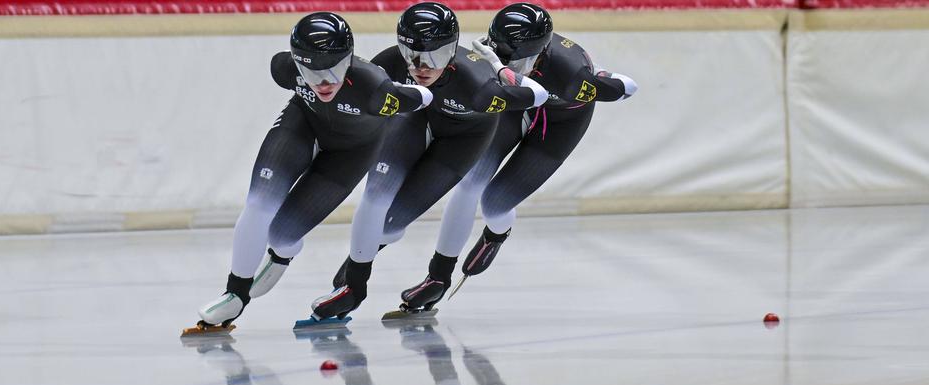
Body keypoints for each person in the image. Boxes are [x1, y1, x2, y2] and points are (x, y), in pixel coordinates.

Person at [186, 12, 432, 334]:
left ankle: (283, 253)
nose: (324, 82)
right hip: (301, 127)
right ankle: (235, 293)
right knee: (259, 205)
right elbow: (285, 64)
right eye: (311, 72)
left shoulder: (375, 90)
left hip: (349, 154)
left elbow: (424, 97)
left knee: (282, 234)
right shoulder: (285, 70)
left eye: (333, 69)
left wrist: (409, 89)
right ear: (298, 64)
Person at [307, 2, 549, 321]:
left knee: (395, 223)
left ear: (451, 52)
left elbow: (538, 95)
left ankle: (439, 277)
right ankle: (353, 287)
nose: (421, 66)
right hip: (419, 120)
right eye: (411, 54)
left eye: (434, 56)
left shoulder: (478, 83)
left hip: (464, 140)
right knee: (375, 197)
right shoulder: (391, 63)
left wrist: (500, 69)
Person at [413, 2, 639, 307]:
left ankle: (497, 232)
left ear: (539, 55)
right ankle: (438, 277)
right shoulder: (496, 49)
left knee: (493, 205)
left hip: (559, 124)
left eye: (510, 61)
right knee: (469, 183)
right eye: (498, 57)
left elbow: (628, 87)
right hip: (515, 108)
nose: (501, 64)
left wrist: (599, 79)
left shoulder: (571, 74)